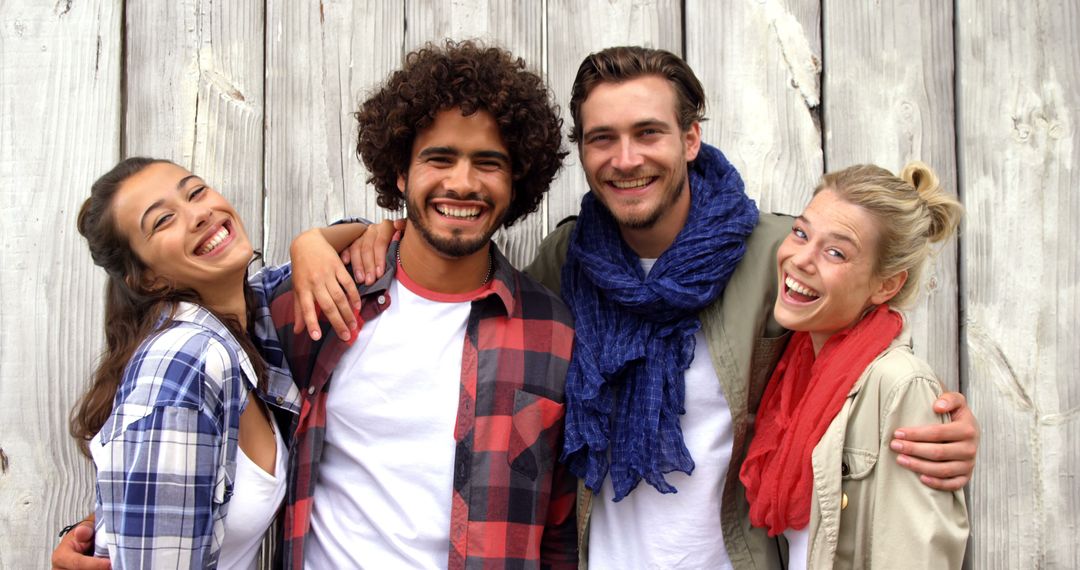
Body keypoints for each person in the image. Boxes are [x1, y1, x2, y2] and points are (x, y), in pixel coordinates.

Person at [349, 45, 979, 569]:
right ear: (583, 152)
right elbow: (466, 288)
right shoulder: (566, 260)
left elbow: (861, 365)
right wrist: (342, 238)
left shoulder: (775, 256)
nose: (626, 159)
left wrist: (939, 424)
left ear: (690, 137)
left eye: (648, 132)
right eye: (603, 139)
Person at [68, 157, 366, 569]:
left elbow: (367, 237)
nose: (199, 214)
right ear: (149, 278)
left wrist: (310, 241)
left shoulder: (247, 322)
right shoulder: (185, 358)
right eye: (163, 221)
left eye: (195, 191)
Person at [738, 162, 969, 569]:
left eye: (835, 252)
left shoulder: (898, 386)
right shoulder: (795, 371)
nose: (801, 259)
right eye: (801, 233)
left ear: (886, 285)